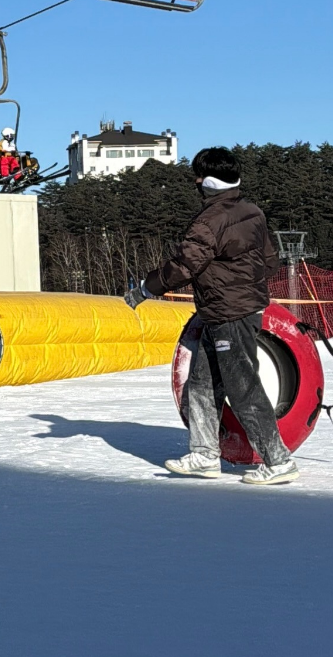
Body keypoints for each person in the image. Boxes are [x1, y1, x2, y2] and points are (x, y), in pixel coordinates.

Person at [125, 147, 297, 485]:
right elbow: (270, 260)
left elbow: (185, 266)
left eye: (199, 177)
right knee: (202, 382)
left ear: (208, 182)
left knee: (242, 386)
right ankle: (204, 454)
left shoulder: (209, 222)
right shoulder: (253, 212)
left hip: (229, 313)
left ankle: (278, 460)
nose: (196, 182)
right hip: (228, 310)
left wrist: (147, 288)